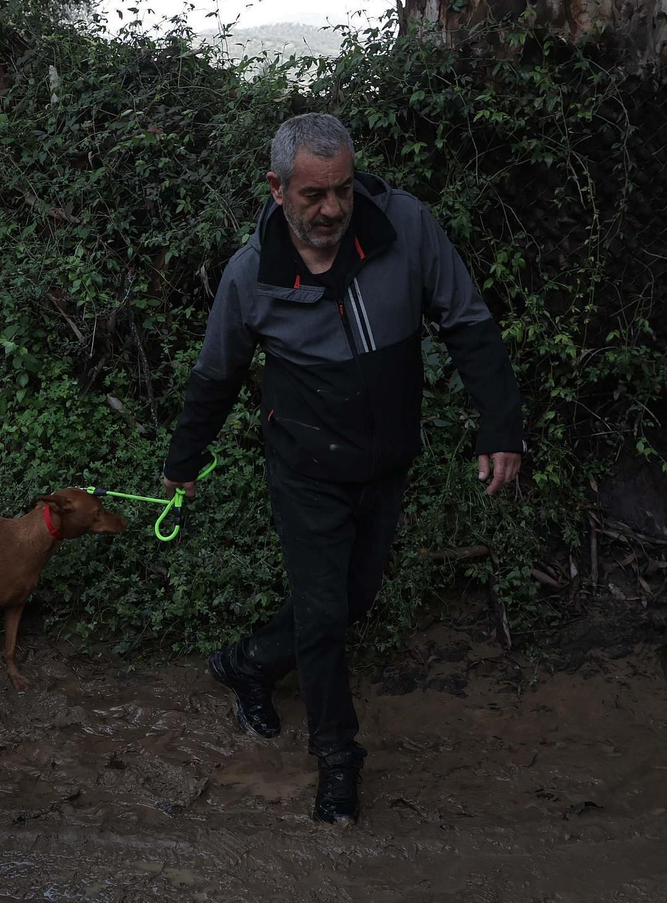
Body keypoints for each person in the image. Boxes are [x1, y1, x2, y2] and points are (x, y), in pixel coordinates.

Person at [162, 113, 523, 825]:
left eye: (343, 190)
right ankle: (337, 759)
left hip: (386, 460)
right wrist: (185, 460)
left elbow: (469, 323)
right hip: (305, 467)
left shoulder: (405, 228)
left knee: (352, 600)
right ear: (276, 189)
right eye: (312, 195)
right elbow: (215, 376)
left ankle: (251, 662)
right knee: (325, 614)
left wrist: (501, 424)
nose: (331, 209)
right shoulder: (251, 275)